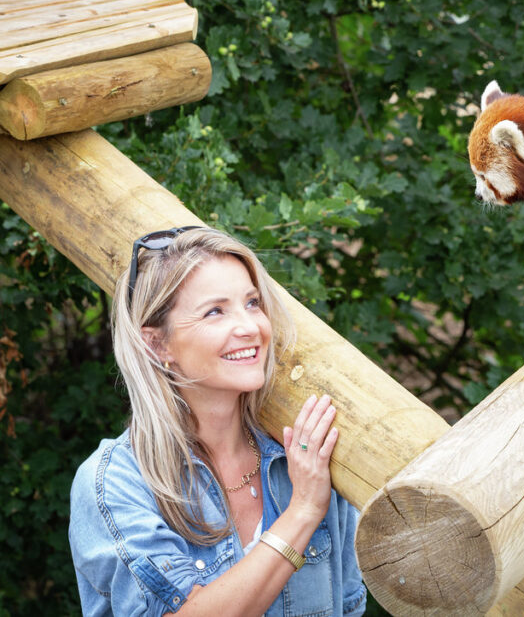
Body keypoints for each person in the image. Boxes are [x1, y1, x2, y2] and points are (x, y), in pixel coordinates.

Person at [69, 226, 366, 616]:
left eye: (252, 303)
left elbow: (348, 605)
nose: (250, 327)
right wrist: (303, 511)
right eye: (215, 311)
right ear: (157, 344)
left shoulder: (305, 454)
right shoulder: (115, 481)